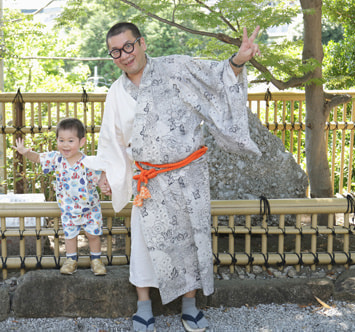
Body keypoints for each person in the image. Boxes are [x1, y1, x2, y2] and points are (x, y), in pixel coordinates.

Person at [83, 22, 262, 331]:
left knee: (191, 241)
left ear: (141, 43)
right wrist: (108, 172)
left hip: (187, 174)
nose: (124, 55)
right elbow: (112, 139)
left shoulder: (177, 67)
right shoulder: (116, 92)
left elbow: (216, 79)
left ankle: (190, 306)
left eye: (128, 46)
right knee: (144, 244)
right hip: (148, 179)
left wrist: (238, 60)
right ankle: (144, 306)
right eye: (116, 51)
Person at [13, 117, 106, 276]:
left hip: (90, 207)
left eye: (70, 140)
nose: (65, 144)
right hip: (68, 208)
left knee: (93, 234)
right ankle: (71, 260)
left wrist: (104, 184)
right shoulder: (56, 158)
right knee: (69, 235)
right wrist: (25, 152)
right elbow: (38, 158)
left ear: (81, 142)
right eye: (61, 140)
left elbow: (101, 176)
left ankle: (96, 260)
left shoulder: (89, 162)